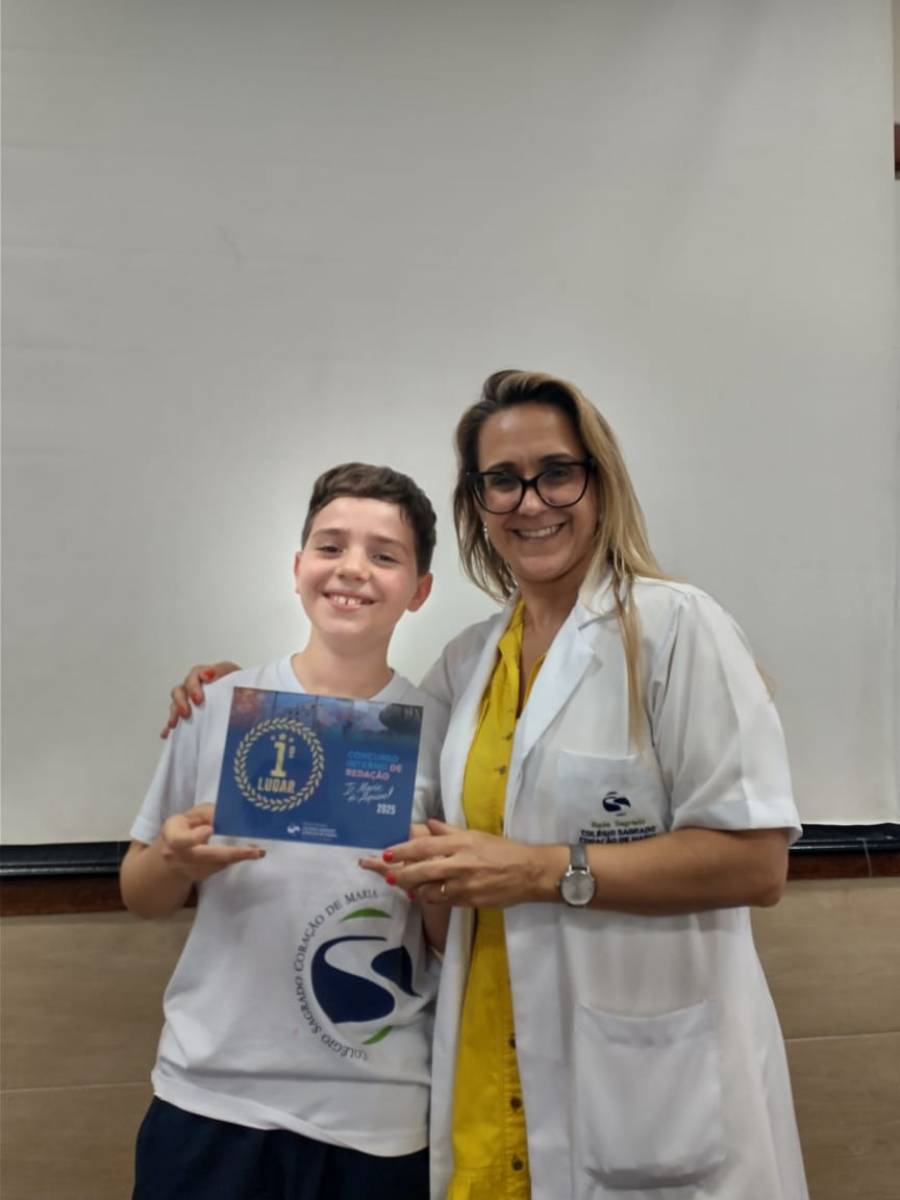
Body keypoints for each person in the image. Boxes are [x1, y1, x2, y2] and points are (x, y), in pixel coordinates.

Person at [168, 371, 809, 1200]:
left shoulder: (678, 627)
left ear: (600, 482)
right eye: (501, 480)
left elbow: (756, 863)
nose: (529, 502)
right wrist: (236, 696)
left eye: (556, 472)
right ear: (478, 503)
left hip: (648, 1084)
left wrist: (540, 870)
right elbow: (366, 754)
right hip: (490, 1065)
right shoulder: (468, 665)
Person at [121, 463, 446, 1200]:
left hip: (377, 1111)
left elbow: (447, 941)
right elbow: (140, 895)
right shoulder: (216, 706)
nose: (352, 569)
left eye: (385, 555)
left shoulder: (442, 733)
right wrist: (174, 858)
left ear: (419, 589)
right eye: (330, 546)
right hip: (210, 1095)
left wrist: (433, 883)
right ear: (298, 566)